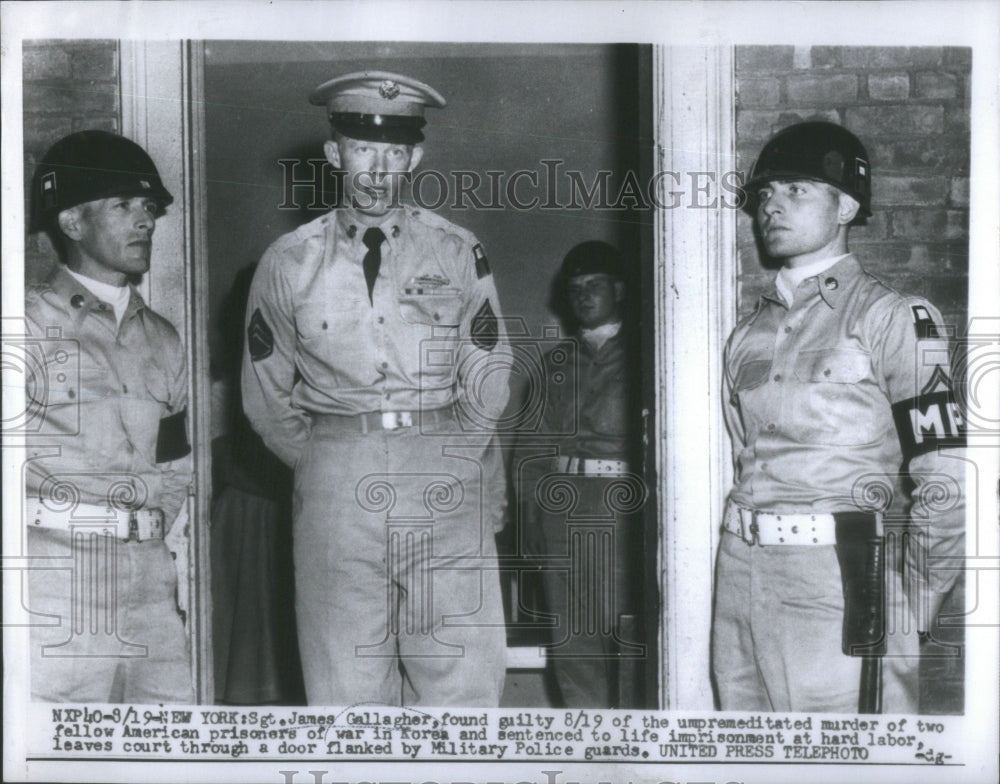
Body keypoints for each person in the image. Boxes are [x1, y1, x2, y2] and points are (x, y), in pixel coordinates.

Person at [242, 71, 511, 706]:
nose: (377, 167)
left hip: (443, 473)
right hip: (336, 478)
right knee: (345, 690)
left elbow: (488, 370)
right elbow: (266, 393)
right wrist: (325, 459)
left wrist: (452, 457)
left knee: (461, 682)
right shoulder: (288, 262)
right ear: (335, 155)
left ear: (414, 158)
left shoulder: (456, 249)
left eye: (394, 152)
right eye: (363, 149)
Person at [713, 120, 966, 712]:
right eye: (766, 194)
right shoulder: (747, 335)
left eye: (797, 189)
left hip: (841, 579)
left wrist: (911, 609)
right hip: (740, 574)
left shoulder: (896, 318)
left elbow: (949, 481)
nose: (772, 205)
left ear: (847, 205)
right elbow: (741, 455)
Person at [23, 130, 194, 703]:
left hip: (150, 577)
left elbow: (174, 461)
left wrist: (146, 535)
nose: (145, 220)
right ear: (71, 222)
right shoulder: (23, 326)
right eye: (123, 205)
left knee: (167, 737)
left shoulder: (163, 339)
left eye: (148, 208)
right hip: (58, 576)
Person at [521, 241, 644, 708]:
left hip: (622, 508)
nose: (583, 296)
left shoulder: (648, 354)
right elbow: (531, 448)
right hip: (560, 510)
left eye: (594, 285)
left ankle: (633, 751)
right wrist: (530, 514)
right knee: (571, 637)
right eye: (575, 289)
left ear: (619, 290)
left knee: (625, 632)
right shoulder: (553, 364)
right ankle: (589, 749)